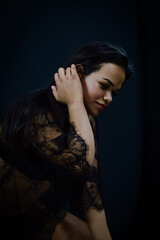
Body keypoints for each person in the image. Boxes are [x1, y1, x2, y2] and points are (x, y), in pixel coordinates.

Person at [0, 41, 134, 240]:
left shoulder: (84, 118)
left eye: (114, 93)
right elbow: (81, 165)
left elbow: (92, 197)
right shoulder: (34, 113)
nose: (108, 98)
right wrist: (74, 100)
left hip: (37, 214)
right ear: (78, 74)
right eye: (104, 86)